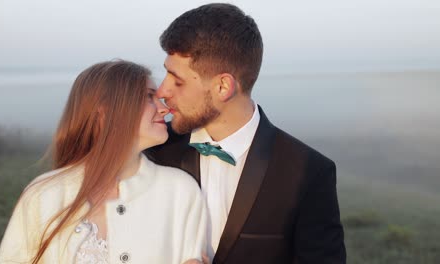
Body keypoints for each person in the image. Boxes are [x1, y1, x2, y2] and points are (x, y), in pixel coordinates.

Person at [145, 3, 346, 263]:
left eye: (177, 80)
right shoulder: (154, 152)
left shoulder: (309, 172)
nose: (162, 91)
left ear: (223, 86)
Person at [0, 60, 206, 264]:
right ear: (104, 113)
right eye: (149, 97)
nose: (164, 109)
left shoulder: (180, 190)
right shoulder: (43, 194)